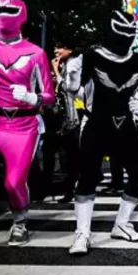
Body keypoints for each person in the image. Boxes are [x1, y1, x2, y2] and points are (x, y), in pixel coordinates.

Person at [0, 0, 55, 253]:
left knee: (14, 181)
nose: (2, 13)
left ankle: (20, 221)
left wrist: (32, 97)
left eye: (9, 9)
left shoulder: (36, 53)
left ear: (22, 15)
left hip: (23, 125)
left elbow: (49, 96)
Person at [68, 11, 138, 256]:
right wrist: (72, 80)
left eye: (130, 30)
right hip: (97, 122)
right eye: (121, 29)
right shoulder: (92, 56)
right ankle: (82, 232)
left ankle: (122, 224)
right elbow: (78, 91)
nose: (125, 35)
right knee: (88, 175)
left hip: (125, 124)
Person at [45, 40, 84, 204]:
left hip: (74, 115)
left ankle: (70, 189)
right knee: (50, 153)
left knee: (70, 155)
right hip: (56, 117)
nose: (56, 51)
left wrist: (56, 70)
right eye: (55, 47)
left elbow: (69, 87)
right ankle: (50, 188)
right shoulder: (61, 65)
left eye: (60, 47)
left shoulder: (75, 65)